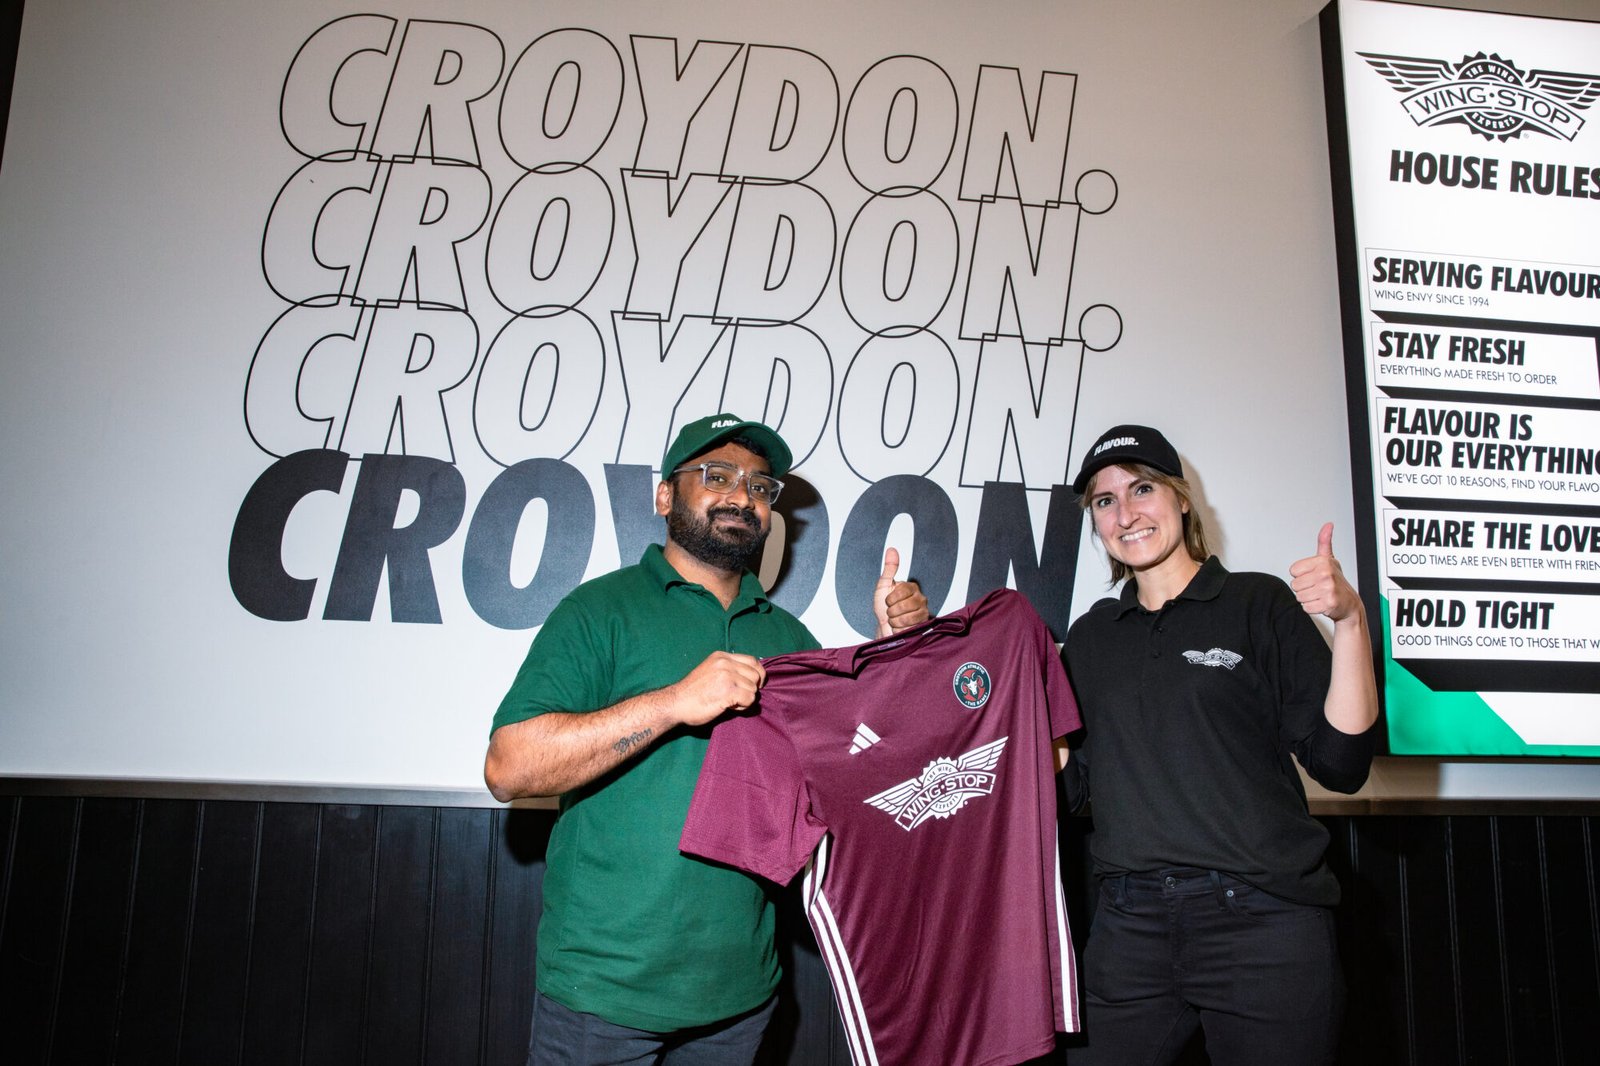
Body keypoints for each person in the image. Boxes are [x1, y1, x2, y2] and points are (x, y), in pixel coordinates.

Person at [484, 412, 928, 1065]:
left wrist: (896, 657)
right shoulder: (599, 610)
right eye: (717, 475)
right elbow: (509, 768)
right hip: (603, 995)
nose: (742, 495)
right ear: (666, 496)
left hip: (740, 999)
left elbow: (856, 788)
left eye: (760, 486)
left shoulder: (791, 641)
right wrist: (674, 703)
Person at [1058, 424, 1379, 1066]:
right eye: (1105, 500)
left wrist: (1350, 622)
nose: (1126, 514)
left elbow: (1342, 765)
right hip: (1129, 927)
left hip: (1263, 922)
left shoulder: (1257, 602)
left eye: (1142, 489)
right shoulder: (1091, 637)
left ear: (1180, 499)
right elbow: (1068, 791)